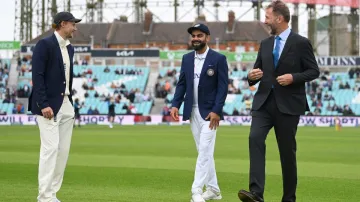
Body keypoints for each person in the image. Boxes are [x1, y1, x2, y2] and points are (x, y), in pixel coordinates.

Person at [237, 1, 320, 202]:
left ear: (279, 18)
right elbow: (256, 72)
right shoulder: (265, 44)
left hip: (288, 105)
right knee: (254, 138)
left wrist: (294, 77)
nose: (265, 21)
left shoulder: (301, 43)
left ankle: (289, 199)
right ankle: (256, 193)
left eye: (267, 17)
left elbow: (313, 71)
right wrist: (251, 76)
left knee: (287, 154)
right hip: (263, 103)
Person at [170, 23, 228, 202]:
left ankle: (196, 191)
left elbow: (223, 87)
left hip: (210, 114)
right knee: (204, 151)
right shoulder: (187, 58)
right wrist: (175, 105)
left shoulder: (219, 59)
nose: (196, 38)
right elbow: (182, 84)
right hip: (191, 111)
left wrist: (217, 110)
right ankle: (214, 189)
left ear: (207, 37)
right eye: (193, 36)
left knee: (204, 150)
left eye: (199, 35)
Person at [28, 11, 81, 202]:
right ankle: (44, 197)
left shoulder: (70, 48)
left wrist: (69, 103)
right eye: (73, 24)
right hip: (48, 106)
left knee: (62, 152)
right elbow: (38, 76)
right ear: (63, 24)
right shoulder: (45, 44)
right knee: (50, 150)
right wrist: (43, 104)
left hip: (66, 103)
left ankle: (52, 194)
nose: (75, 28)